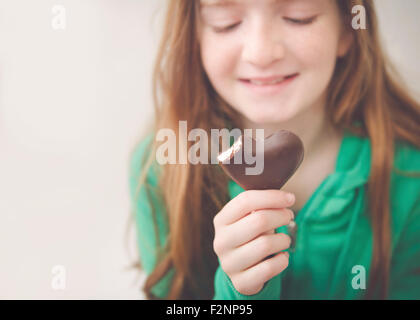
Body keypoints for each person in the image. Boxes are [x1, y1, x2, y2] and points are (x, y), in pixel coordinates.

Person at [128, 0, 420, 299]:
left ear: (348, 27)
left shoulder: (410, 173)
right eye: (225, 23)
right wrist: (241, 293)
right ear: (196, 37)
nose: (261, 53)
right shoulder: (161, 168)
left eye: (299, 17)